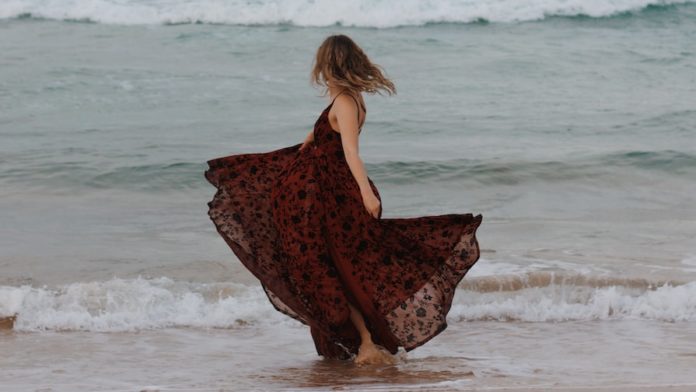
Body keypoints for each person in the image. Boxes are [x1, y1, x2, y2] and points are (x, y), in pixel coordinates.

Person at [204, 34, 483, 366]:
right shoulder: (340, 101)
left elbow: (351, 153)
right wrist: (285, 160)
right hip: (318, 199)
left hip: (332, 201)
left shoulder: (347, 104)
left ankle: (366, 342)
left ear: (329, 65)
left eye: (321, 64)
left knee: (334, 271)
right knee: (326, 269)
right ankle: (362, 343)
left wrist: (366, 193)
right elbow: (316, 139)